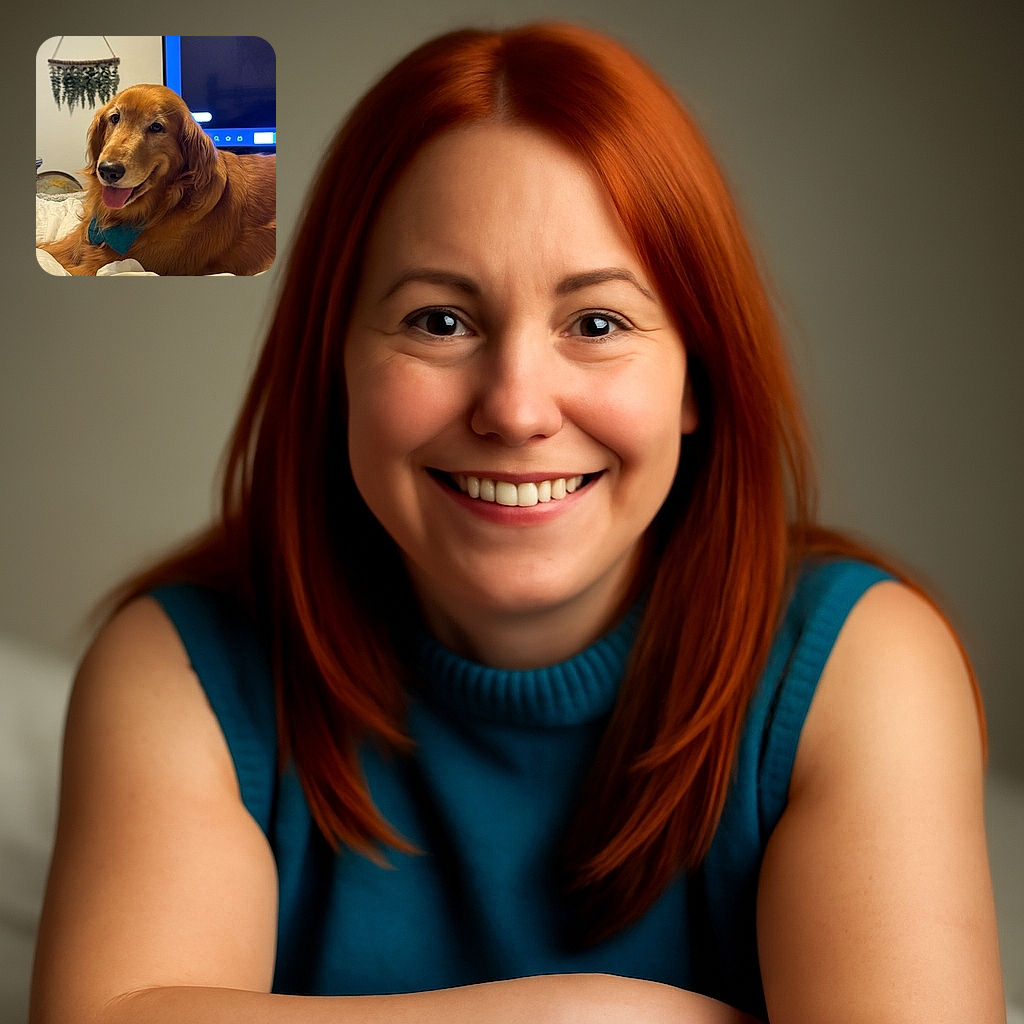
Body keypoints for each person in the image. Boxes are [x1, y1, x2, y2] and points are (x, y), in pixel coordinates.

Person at [30, 22, 1005, 1024]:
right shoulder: (182, 670)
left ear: (696, 379)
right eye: (438, 321)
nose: (516, 408)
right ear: (336, 364)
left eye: (597, 324)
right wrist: (599, 1018)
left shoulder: (859, 669)